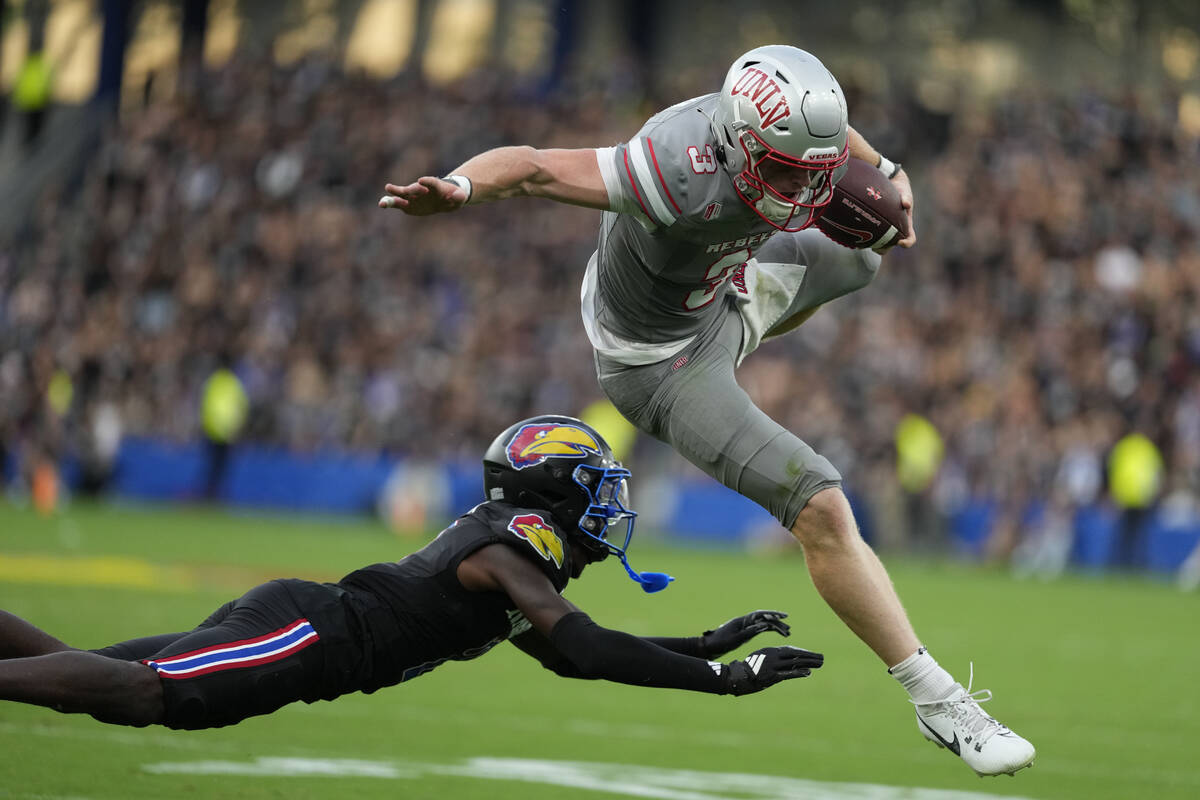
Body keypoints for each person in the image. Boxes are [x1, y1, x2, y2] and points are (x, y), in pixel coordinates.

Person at [379, 45, 1035, 776]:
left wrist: (885, 171)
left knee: (863, 249)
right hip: (659, 361)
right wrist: (463, 189)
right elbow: (532, 165)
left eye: (810, 172)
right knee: (820, 505)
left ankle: (746, 318)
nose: (801, 190)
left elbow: (827, 143)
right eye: (785, 171)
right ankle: (938, 701)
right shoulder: (666, 169)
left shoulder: (779, 139)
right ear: (736, 144)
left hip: (721, 295)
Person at [0, 415, 822, 731]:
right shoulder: (508, 554)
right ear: (550, 492)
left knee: (91, 668)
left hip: (305, 628)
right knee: (147, 693)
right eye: (595, 486)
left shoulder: (509, 564)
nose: (610, 504)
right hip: (307, 632)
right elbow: (591, 647)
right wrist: (720, 677)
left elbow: (571, 651)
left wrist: (700, 641)